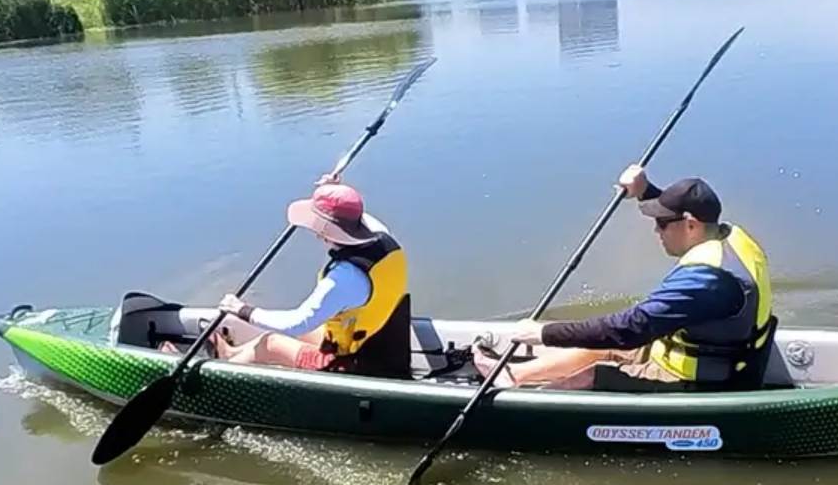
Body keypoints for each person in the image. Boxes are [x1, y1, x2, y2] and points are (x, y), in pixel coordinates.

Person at [475, 166, 774, 391]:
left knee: (593, 374)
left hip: (705, 381)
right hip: (698, 356)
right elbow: (680, 213)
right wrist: (644, 190)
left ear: (691, 225)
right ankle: (512, 377)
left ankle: (520, 410)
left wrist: (543, 334)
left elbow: (630, 329)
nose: (656, 231)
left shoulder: (706, 281)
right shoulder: (727, 234)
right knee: (596, 346)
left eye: (661, 223)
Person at [178, 182, 412, 377]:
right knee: (290, 330)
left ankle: (218, 373)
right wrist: (331, 191)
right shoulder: (385, 240)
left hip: (357, 367)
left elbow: (298, 323)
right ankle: (231, 356)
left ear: (322, 230)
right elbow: (354, 214)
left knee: (272, 342)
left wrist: (243, 310)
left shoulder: (344, 278)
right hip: (386, 348)